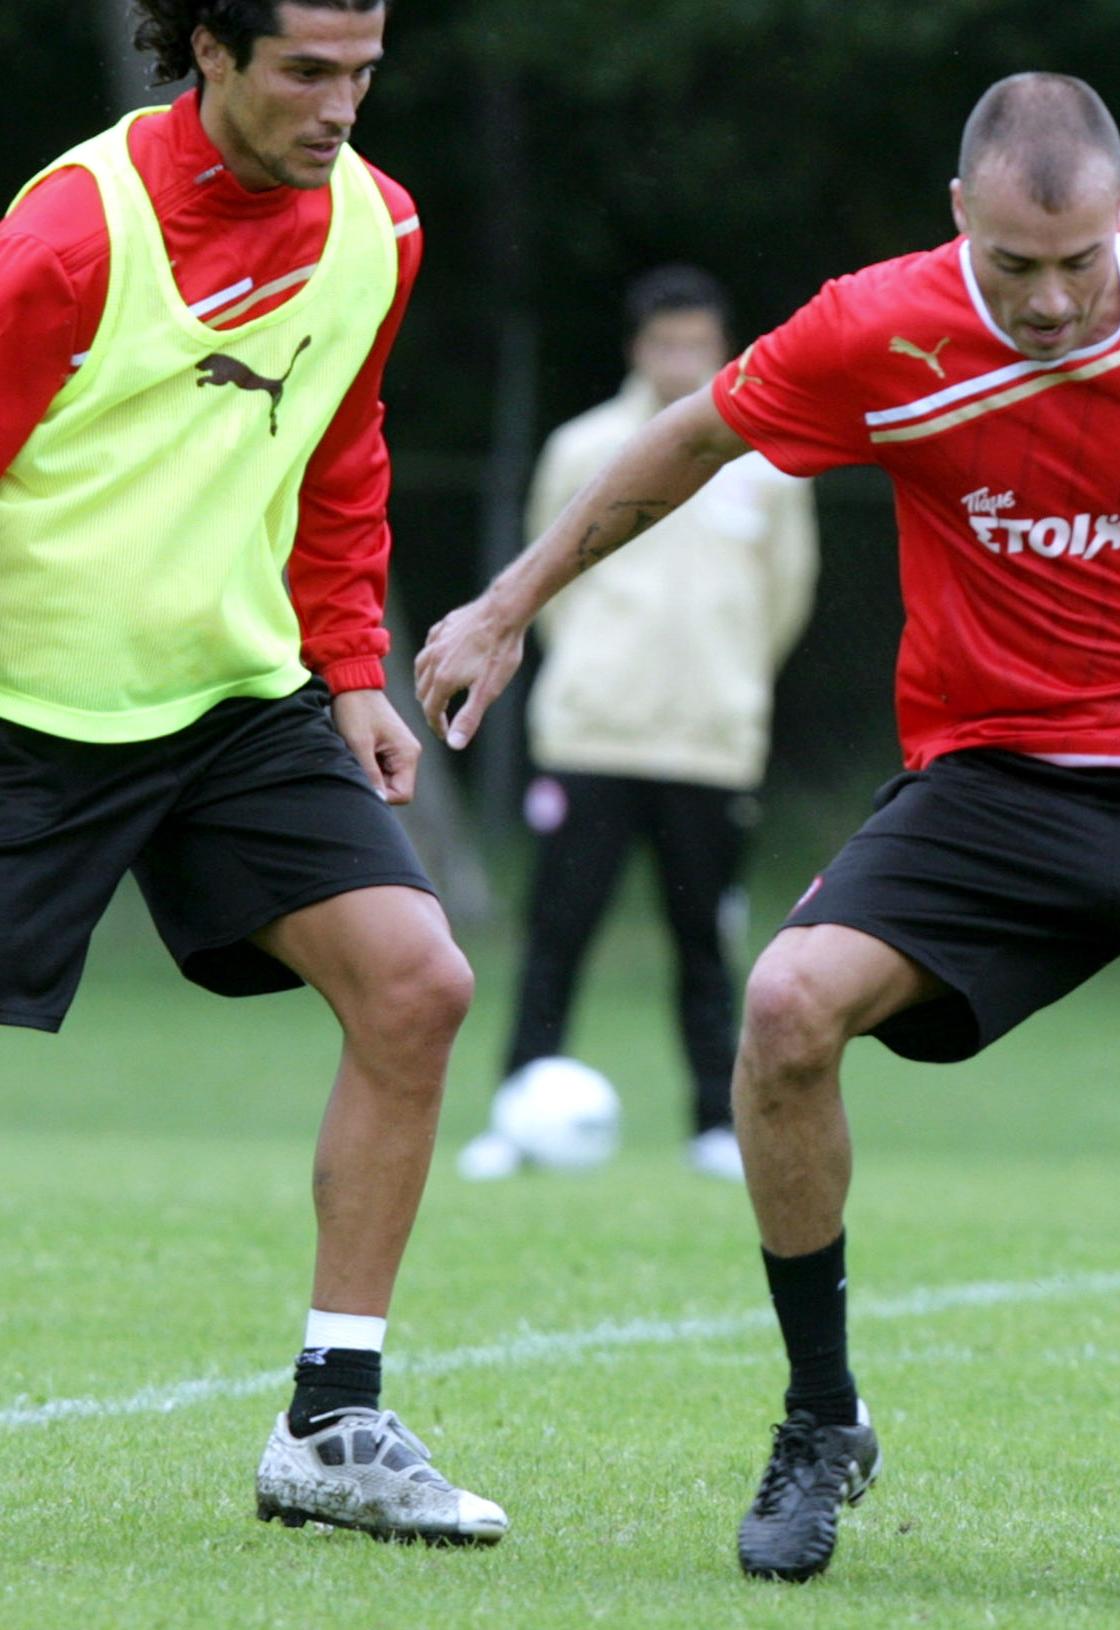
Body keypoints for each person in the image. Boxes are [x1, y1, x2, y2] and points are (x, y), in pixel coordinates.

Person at [417, 71, 1120, 1585]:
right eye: (1014, 264)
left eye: (1079, 260)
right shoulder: (875, 329)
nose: (1050, 299)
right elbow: (692, 440)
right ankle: (821, 1419)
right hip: (999, 787)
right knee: (786, 1005)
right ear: (958, 216)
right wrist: (507, 604)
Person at [0, 0, 504, 1543]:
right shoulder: (70, 236)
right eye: (306, 71)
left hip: (231, 699)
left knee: (416, 983)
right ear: (209, 49)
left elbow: (341, 453)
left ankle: (332, 1421)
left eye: (362, 71)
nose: (340, 105)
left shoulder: (378, 226)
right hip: (27, 706)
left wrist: (349, 666)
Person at [455, 265, 818, 1184]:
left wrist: (730, 685)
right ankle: (517, 1113)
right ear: (637, 349)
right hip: (593, 737)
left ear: (721, 345)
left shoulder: (769, 460)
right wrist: (596, 672)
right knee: (558, 933)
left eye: (697, 344)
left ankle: (716, 1124)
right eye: (664, 344)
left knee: (707, 945)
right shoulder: (582, 447)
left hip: (711, 746)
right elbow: (543, 579)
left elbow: (785, 595)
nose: (680, 360)